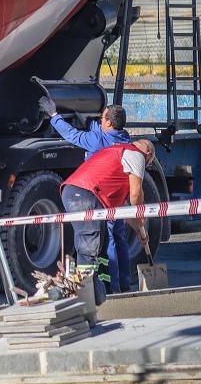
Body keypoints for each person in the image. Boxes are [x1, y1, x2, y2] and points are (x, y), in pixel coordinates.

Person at [39, 97, 134, 293]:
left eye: (102, 119)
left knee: (107, 239)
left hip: (102, 194)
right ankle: (125, 282)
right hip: (117, 194)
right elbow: (100, 131)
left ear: (108, 122)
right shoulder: (124, 138)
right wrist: (89, 122)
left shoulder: (97, 140)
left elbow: (73, 135)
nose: (100, 121)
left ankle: (112, 287)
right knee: (119, 235)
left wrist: (54, 116)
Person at [60, 139, 156, 305]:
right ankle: (85, 298)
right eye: (149, 164)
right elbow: (135, 194)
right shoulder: (136, 155)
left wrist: (139, 229)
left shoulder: (116, 156)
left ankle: (102, 294)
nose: (146, 167)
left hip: (79, 193)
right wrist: (140, 216)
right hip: (85, 194)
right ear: (148, 154)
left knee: (101, 246)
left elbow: (123, 207)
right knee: (89, 248)